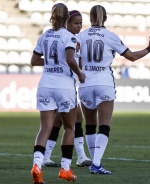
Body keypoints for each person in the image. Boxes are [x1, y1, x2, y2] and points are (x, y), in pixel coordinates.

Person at [77, 5, 150, 174]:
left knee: (90, 125)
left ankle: (95, 162)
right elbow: (131, 57)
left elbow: (75, 60)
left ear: (91, 18)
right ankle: (96, 164)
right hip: (104, 82)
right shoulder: (111, 36)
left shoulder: (81, 35)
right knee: (104, 125)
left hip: (85, 82)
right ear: (106, 19)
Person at [30, 3, 86, 184]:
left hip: (45, 84)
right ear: (67, 19)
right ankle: (65, 169)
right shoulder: (69, 37)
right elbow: (70, 59)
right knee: (70, 127)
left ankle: (37, 165)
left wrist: (51, 64)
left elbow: (34, 60)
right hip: (64, 86)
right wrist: (80, 74)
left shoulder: (44, 36)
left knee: (45, 128)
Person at [43, 10, 92, 168]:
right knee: (67, 120)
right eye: (76, 23)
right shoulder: (65, 39)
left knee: (72, 119)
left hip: (68, 85)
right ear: (68, 24)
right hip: (61, 85)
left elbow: (77, 60)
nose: (79, 26)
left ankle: (50, 156)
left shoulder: (74, 40)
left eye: (80, 23)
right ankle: (78, 157)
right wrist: (79, 72)